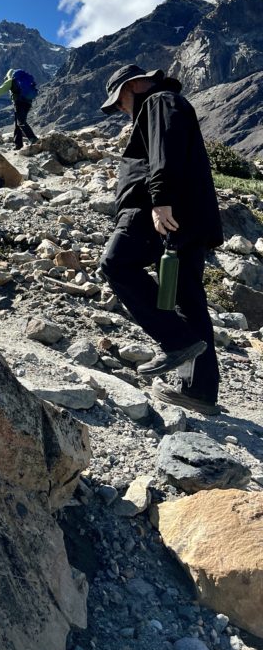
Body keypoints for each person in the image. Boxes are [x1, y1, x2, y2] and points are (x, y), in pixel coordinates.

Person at [98, 64, 224, 415]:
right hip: (187, 217)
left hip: (159, 213)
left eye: (120, 101)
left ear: (134, 85)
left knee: (116, 264)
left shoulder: (159, 101)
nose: (122, 111)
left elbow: (164, 148)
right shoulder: (171, 102)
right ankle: (198, 391)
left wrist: (160, 199)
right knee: (188, 298)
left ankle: (177, 340)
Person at [0, 68, 39, 150]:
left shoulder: (11, 81)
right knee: (18, 124)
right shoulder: (22, 80)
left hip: (19, 103)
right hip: (27, 103)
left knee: (21, 122)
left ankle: (33, 139)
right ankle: (18, 145)